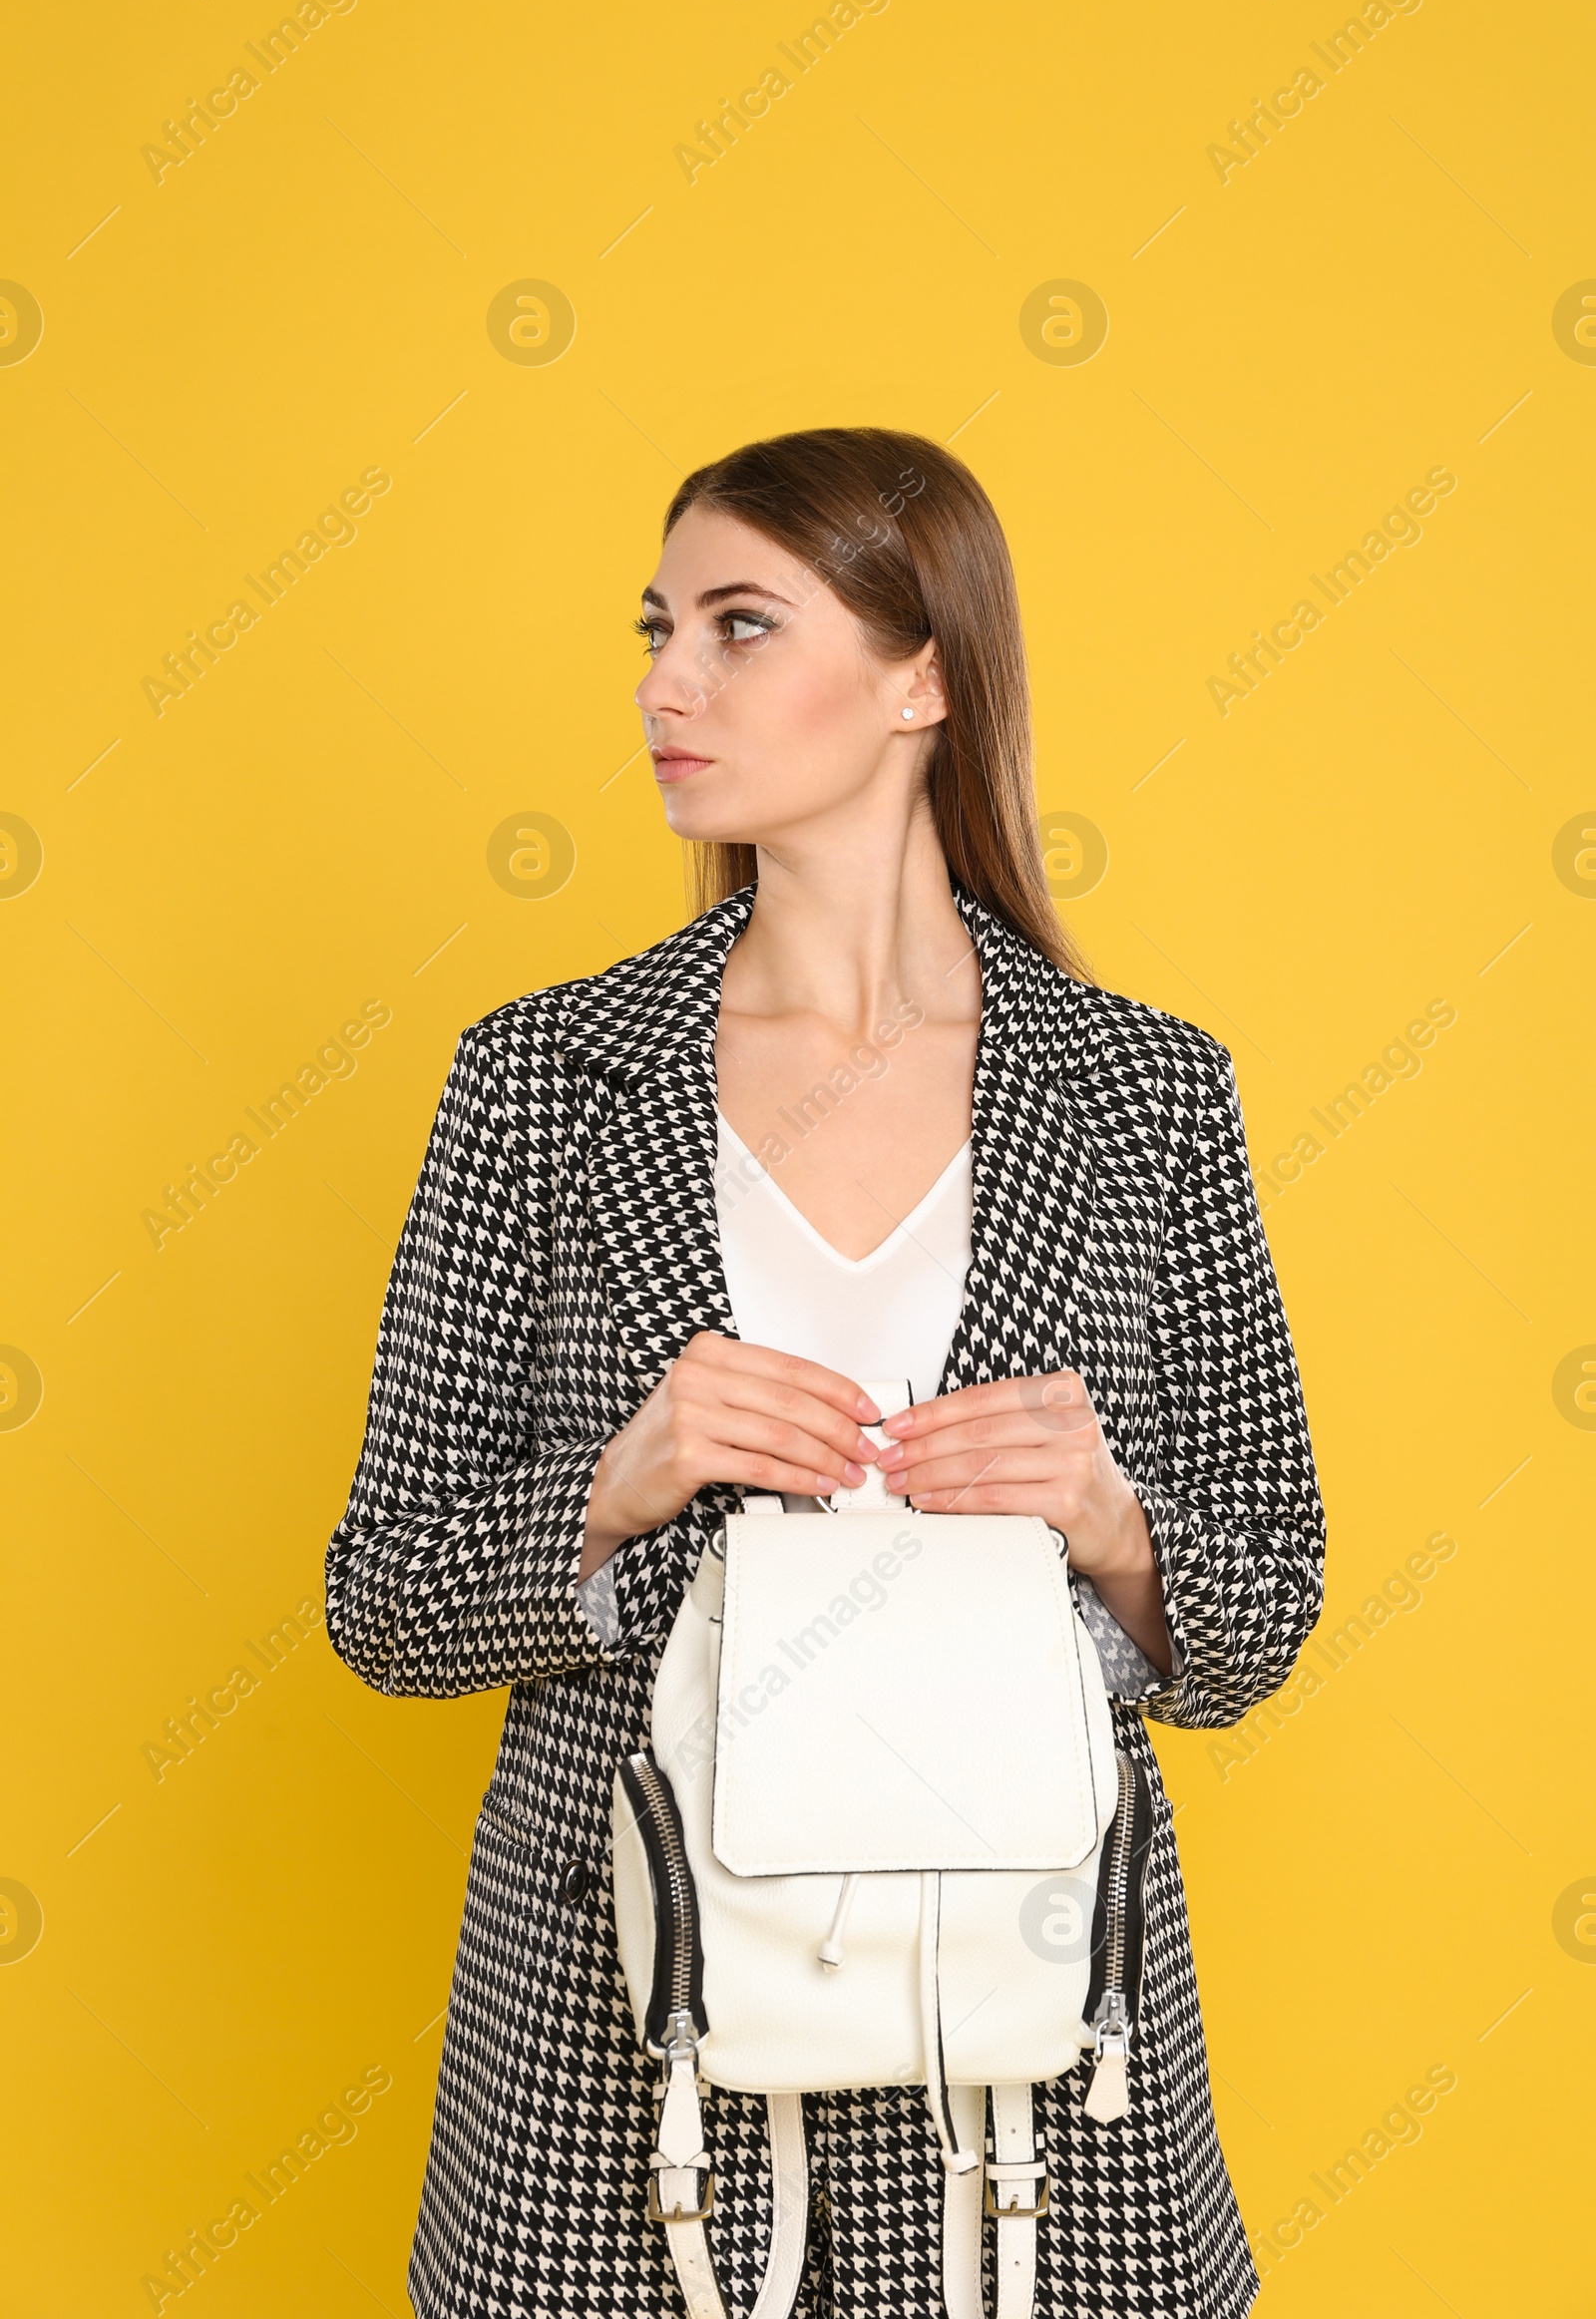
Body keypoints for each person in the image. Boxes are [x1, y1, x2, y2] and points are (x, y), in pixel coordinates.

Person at [325, 425, 1326, 2317]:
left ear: (921, 673)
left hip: (1040, 2055)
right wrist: (618, 1478)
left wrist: (1109, 1514)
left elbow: (1264, 1616)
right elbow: (383, 1605)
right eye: (656, 628)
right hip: (619, 2048)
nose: (662, 684)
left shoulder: (1145, 1092)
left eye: (738, 626)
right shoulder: (540, 1080)